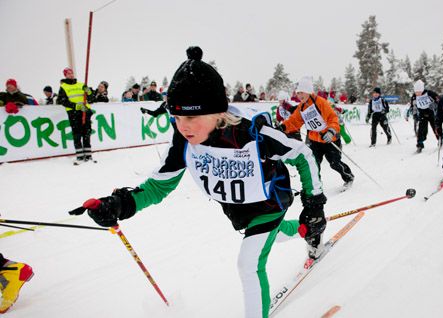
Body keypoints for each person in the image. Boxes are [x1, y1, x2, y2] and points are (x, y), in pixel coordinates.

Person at [72, 46, 326, 318]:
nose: (183, 126)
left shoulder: (252, 134)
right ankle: (304, 231)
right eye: (177, 117)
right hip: (239, 211)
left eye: (191, 116)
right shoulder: (186, 143)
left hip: (269, 204)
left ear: (218, 113)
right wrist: (121, 204)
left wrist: (313, 205)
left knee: (249, 263)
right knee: (269, 238)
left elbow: (303, 154)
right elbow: (160, 184)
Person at [281, 76, 354, 191]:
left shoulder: (321, 102)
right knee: (314, 164)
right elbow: (294, 121)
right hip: (315, 141)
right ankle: (315, 187)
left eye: (302, 93)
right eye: (298, 93)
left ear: (309, 91)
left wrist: (331, 132)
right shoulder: (301, 107)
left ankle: (349, 177)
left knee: (334, 163)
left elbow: (333, 118)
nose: (299, 96)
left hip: (330, 139)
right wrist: (283, 127)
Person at [56, 67, 96, 164]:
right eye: (68, 73)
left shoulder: (81, 84)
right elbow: (61, 100)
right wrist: (75, 106)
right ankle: (80, 157)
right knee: (77, 134)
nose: (71, 75)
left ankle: (88, 155)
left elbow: (91, 99)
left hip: (84, 110)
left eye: (71, 73)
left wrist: (89, 92)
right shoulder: (64, 87)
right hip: (73, 112)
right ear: (65, 75)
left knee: (87, 133)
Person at [410, 80, 441, 152]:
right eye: (416, 92)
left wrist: (435, 105)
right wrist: (414, 114)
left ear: (422, 89)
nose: (418, 93)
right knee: (421, 129)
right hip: (422, 114)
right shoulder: (414, 96)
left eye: (419, 91)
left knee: (435, 127)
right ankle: (420, 144)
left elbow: (439, 101)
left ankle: (439, 139)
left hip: (432, 113)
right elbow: (413, 106)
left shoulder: (429, 93)